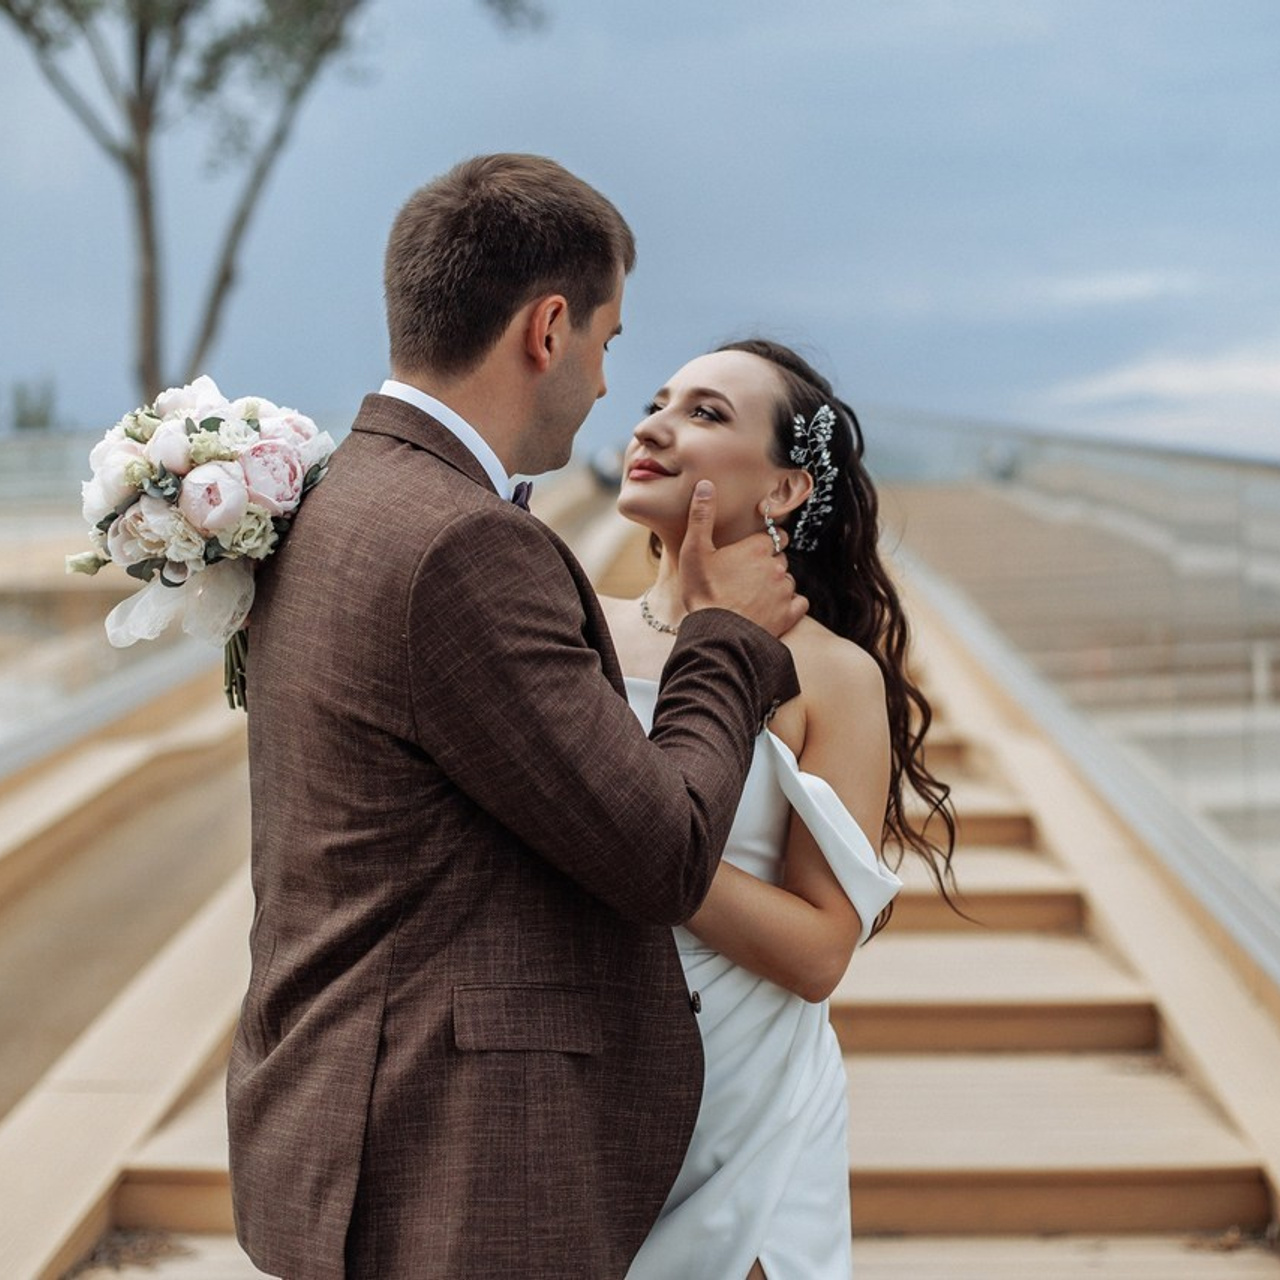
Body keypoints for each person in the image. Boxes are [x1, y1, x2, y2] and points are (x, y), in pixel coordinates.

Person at [226, 156, 808, 1280]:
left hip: (340, 1119)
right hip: (456, 1161)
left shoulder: (336, 494)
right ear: (548, 327)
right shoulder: (463, 543)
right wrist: (723, 639)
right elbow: (660, 849)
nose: (604, 386)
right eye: (608, 343)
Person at [601, 338, 957, 1279]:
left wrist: (618, 833)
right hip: (569, 1063)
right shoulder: (571, 626)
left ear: (787, 490)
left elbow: (818, 952)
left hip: (741, 1094)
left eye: (706, 414)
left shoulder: (833, 675)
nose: (653, 426)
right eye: (658, 401)